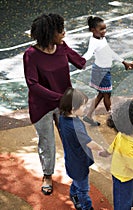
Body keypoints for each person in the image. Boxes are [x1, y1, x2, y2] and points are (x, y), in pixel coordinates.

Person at [23, 13, 86, 195]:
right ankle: (48, 175)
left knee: (70, 137)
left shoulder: (61, 47)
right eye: (60, 31)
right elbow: (33, 85)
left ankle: (75, 172)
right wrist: (60, 97)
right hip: (41, 106)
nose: (64, 33)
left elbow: (80, 63)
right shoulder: (31, 55)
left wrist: (98, 50)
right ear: (50, 34)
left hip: (63, 105)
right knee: (47, 142)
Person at [58, 88, 107, 210]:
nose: (85, 108)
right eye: (83, 106)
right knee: (84, 189)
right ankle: (86, 207)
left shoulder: (64, 118)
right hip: (78, 162)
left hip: (73, 158)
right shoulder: (75, 127)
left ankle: (73, 194)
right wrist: (101, 149)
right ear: (72, 109)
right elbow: (89, 142)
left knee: (78, 181)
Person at [82, 16, 132, 126]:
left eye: (105, 29)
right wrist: (81, 61)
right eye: (101, 29)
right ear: (93, 30)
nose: (104, 31)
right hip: (101, 71)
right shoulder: (94, 41)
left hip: (103, 70)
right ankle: (113, 118)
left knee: (101, 94)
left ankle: (88, 115)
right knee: (107, 94)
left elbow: (109, 52)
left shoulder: (102, 39)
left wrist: (123, 61)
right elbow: (89, 53)